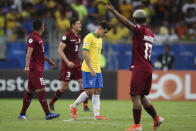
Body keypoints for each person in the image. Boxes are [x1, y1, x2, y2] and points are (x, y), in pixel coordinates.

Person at [106, 3, 164, 131]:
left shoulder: (140, 30)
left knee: (135, 96)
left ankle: (137, 125)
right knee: (142, 96)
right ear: (146, 19)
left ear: (135, 20)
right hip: (148, 67)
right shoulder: (149, 32)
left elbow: (126, 23)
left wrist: (113, 11)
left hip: (140, 67)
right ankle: (156, 118)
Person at [18, 19, 60, 120]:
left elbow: (39, 54)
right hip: (34, 69)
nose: (44, 26)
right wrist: (27, 66)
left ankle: (22, 114)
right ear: (41, 26)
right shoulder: (32, 37)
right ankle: (48, 114)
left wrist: (48, 60)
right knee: (41, 89)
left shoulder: (38, 38)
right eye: (43, 25)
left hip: (37, 68)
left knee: (29, 92)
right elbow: (29, 53)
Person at [70, 20, 111, 120]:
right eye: (104, 32)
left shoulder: (100, 39)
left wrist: (96, 68)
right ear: (100, 28)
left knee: (97, 90)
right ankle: (74, 106)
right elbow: (84, 53)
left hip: (97, 69)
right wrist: (91, 68)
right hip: (88, 68)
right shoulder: (89, 37)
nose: (105, 34)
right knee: (90, 90)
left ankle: (96, 115)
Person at [49, 18, 90, 112]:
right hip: (67, 65)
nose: (80, 25)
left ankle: (85, 106)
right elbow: (59, 50)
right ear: (73, 25)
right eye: (78, 24)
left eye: (80, 23)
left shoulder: (79, 37)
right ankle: (51, 102)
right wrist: (67, 62)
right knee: (64, 87)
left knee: (83, 84)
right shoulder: (67, 36)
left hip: (76, 64)